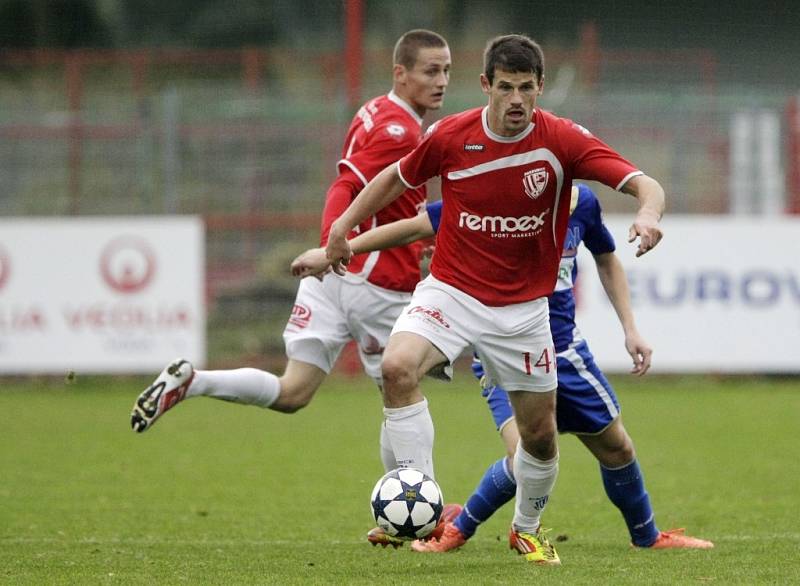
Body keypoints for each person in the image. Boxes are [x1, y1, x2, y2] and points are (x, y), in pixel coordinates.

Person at [324, 34, 666, 565]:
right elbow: (395, 176)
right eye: (504, 87)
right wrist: (344, 225)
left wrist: (647, 214)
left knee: (541, 440)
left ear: (540, 89)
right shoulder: (451, 135)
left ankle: (525, 528)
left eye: (525, 89)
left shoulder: (562, 141)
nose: (515, 100)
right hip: (451, 291)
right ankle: (423, 503)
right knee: (397, 367)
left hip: (524, 313)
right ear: (485, 85)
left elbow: (645, 183)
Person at [129, 29, 461, 537]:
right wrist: (335, 242)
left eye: (446, 71)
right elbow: (351, 187)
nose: (441, 81)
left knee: (293, 391)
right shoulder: (401, 132)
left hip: (336, 277)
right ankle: (423, 519)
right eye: (430, 71)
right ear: (401, 73)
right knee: (402, 387)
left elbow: (351, 184)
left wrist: (333, 247)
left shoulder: (375, 111)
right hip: (374, 283)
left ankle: (194, 382)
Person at [292, 185, 713, 552]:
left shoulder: (582, 203)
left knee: (618, 448)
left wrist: (630, 328)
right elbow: (418, 225)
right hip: (501, 350)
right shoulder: (498, 196)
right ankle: (457, 528)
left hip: (565, 354)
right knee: (521, 455)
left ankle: (647, 536)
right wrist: (335, 250)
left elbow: (606, 258)